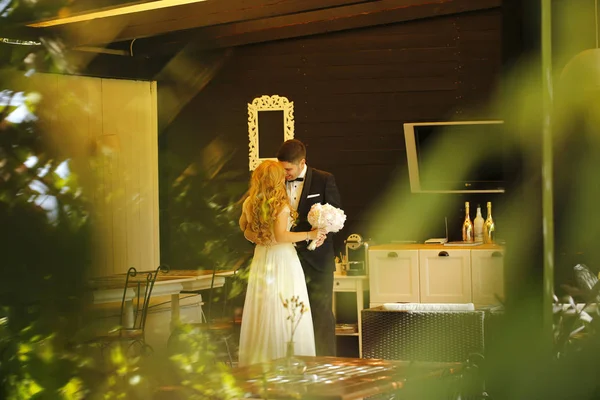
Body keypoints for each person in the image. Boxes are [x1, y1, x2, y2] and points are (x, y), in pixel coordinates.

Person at [238, 160, 325, 367]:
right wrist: (310, 234)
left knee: (264, 306)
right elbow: (282, 236)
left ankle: (260, 361)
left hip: (262, 257)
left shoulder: (249, 202)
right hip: (283, 260)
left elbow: (244, 229)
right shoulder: (281, 205)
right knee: (285, 306)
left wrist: (258, 238)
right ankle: (286, 362)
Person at [276, 139, 342, 357]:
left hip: (317, 261)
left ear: (302, 162)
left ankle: (326, 365)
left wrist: (321, 231)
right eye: (281, 168)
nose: (284, 173)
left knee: (321, 314)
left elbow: (336, 216)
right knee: (288, 314)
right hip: (285, 257)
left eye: (288, 169)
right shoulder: (276, 181)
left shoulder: (324, 180)